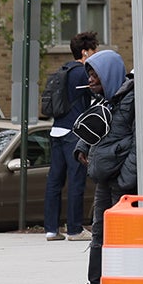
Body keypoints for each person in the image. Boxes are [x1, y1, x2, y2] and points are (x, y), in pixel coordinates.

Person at [65, 49, 136, 284]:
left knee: (121, 236)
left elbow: (140, 144)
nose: (91, 79)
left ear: (109, 74)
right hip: (104, 178)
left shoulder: (131, 99)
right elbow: (95, 127)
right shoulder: (104, 99)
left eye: (95, 74)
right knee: (99, 233)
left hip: (121, 181)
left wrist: (125, 179)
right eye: (90, 74)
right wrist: (81, 148)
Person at [43, 31, 98, 242]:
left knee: (54, 181)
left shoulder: (62, 70)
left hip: (56, 129)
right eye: (93, 51)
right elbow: (96, 95)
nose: (95, 55)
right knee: (76, 180)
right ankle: (74, 229)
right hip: (74, 133)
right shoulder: (83, 72)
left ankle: (51, 229)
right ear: (85, 52)